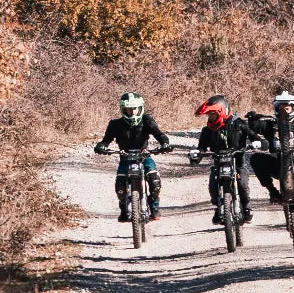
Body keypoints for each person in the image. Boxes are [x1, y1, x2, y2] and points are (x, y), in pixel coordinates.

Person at [94, 92, 173, 222]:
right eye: (129, 109)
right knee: (120, 187)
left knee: (155, 181)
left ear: (140, 108)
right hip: (125, 157)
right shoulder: (115, 124)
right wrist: (101, 146)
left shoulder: (147, 120)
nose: (133, 112)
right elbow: (106, 140)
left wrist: (165, 144)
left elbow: (159, 134)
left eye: (135, 109)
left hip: (144, 156)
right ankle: (124, 209)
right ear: (123, 109)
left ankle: (154, 206)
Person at [191, 95, 266, 224]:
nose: (210, 118)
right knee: (213, 186)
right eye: (209, 116)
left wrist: (258, 143)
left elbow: (255, 137)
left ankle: (247, 207)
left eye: (212, 115)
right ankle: (219, 207)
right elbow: (201, 148)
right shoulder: (207, 130)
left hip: (238, 162)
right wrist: (196, 155)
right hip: (219, 163)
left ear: (221, 111)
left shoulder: (239, 124)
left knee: (242, 184)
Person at [247, 91, 294, 201]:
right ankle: (272, 191)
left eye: (287, 109)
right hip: (277, 162)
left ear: (293, 108)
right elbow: (257, 126)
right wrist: (252, 118)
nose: (284, 111)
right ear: (276, 109)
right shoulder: (271, 124)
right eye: (281, 108)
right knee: (255, 158)